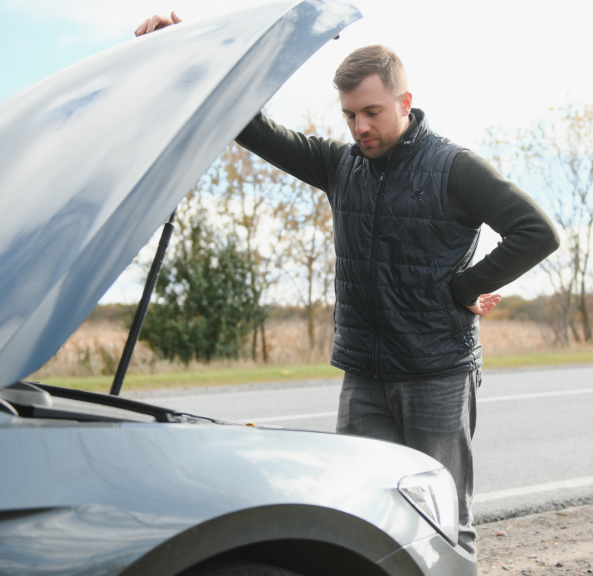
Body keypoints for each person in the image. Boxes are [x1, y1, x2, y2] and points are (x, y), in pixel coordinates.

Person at [136, 14, 559, 558]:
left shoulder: (455, 168)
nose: (360, 127)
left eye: (372, 112)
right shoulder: (341, 167)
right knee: (362, 521)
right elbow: (252, 126)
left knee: (444, 524)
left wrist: (461, 287)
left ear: (406, 102)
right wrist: (193, 51)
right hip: (364, 376)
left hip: (437, 374)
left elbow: (537, 232)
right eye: (350, 115)